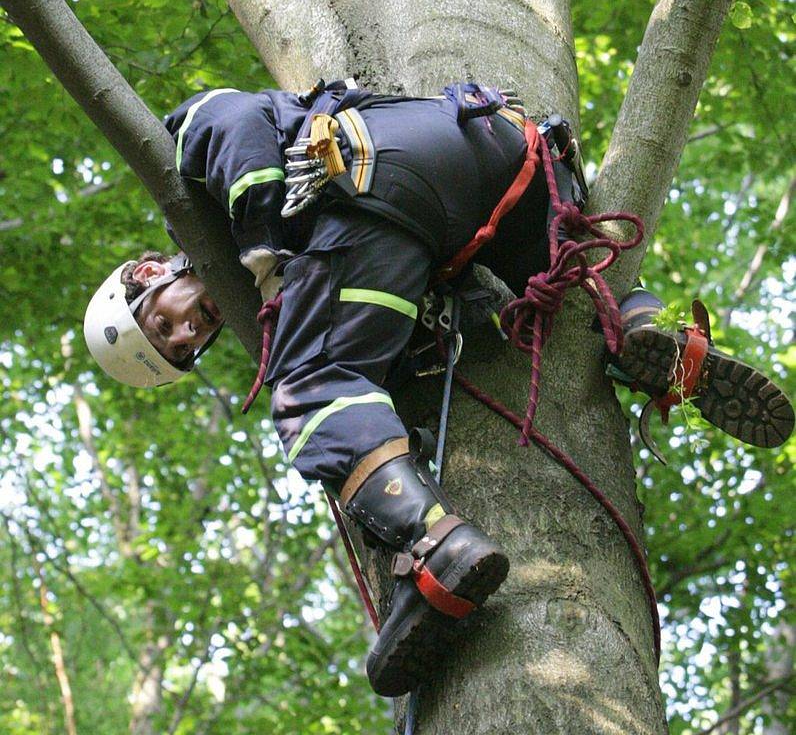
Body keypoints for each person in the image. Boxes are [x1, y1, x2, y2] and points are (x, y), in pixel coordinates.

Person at [84, 82, 794, 697]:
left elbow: (229, 124)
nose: (187, 338)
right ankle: (652, 341)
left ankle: (435, 546)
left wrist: (268, 252)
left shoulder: (199, 143)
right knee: (574, 303)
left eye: (162, 325)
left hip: (373, 173)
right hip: (498, 153)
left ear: (148, 274)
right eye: (183, 352)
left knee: (312, 392)